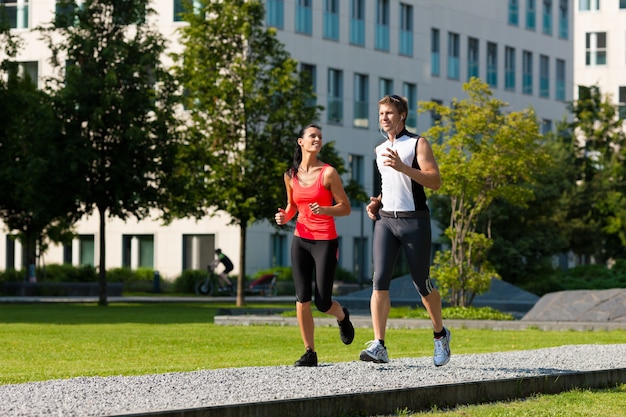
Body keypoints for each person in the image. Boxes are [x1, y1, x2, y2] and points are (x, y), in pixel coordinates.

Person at [361, 94, 451, 367]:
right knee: (379, 281)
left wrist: (402, 166)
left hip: (415, 221)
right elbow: (388, 187)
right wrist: (376, 203)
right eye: (381, 114)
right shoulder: (378, 150)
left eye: (389, 113)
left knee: (421, 283)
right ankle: (379, 344)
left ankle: (440, 334)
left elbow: (434, 181)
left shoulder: (417, 143)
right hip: (386, 221)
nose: (384, 118)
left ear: (402, 116)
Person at [275, 124, 355, 367]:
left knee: (322, 302)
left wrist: (325, 209)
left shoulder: (328, 173)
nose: (317, 139)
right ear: (301, 142)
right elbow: (292, 207)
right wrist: (284, 217)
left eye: (320, 137)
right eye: (313, 136)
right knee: (302, 298)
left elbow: (346, 207)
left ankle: (342, 316)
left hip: (325, 241)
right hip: (300, 240)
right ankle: (309, 352)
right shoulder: (291, 175)